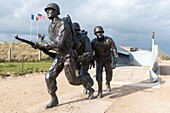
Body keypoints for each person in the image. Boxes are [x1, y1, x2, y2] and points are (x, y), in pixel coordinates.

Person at [33, 3, 94, 109]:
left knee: (73, 81)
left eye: (50, 10)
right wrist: (42, 47)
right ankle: (54, 99)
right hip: (59, 55)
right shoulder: (50, 26)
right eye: (46, 10)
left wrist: (44, 45)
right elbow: (54, 44)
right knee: (49, 76)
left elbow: (59, 43)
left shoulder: (63, 24)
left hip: (68, 55)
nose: (48, 12)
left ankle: (88, 82)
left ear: (56, 12)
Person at [91, 26, 118, 98]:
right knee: (98, 76)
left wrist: (115, 61)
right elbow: (91, 52)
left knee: (109, 75)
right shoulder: (93, 42)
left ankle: (108, 83)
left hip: (107, 60)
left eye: (100, 32)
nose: (99, 34)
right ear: (95, 34)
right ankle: (100, 91)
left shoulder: (109, 40)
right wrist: (91, 59)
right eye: (97, 33)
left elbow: (114, 50)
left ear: (102, 32)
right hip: (99, 60)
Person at [72, 22, 94, 94]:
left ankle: (88, 85)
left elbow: (88, 51)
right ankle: (86, 82)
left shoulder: (84, 38)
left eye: (76, 30)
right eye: (73, 30)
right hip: (76, 60)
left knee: (82, 74)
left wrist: (83, 57)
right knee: (77, 75)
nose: (75, 32)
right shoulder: (70, 38)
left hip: (84, 59)